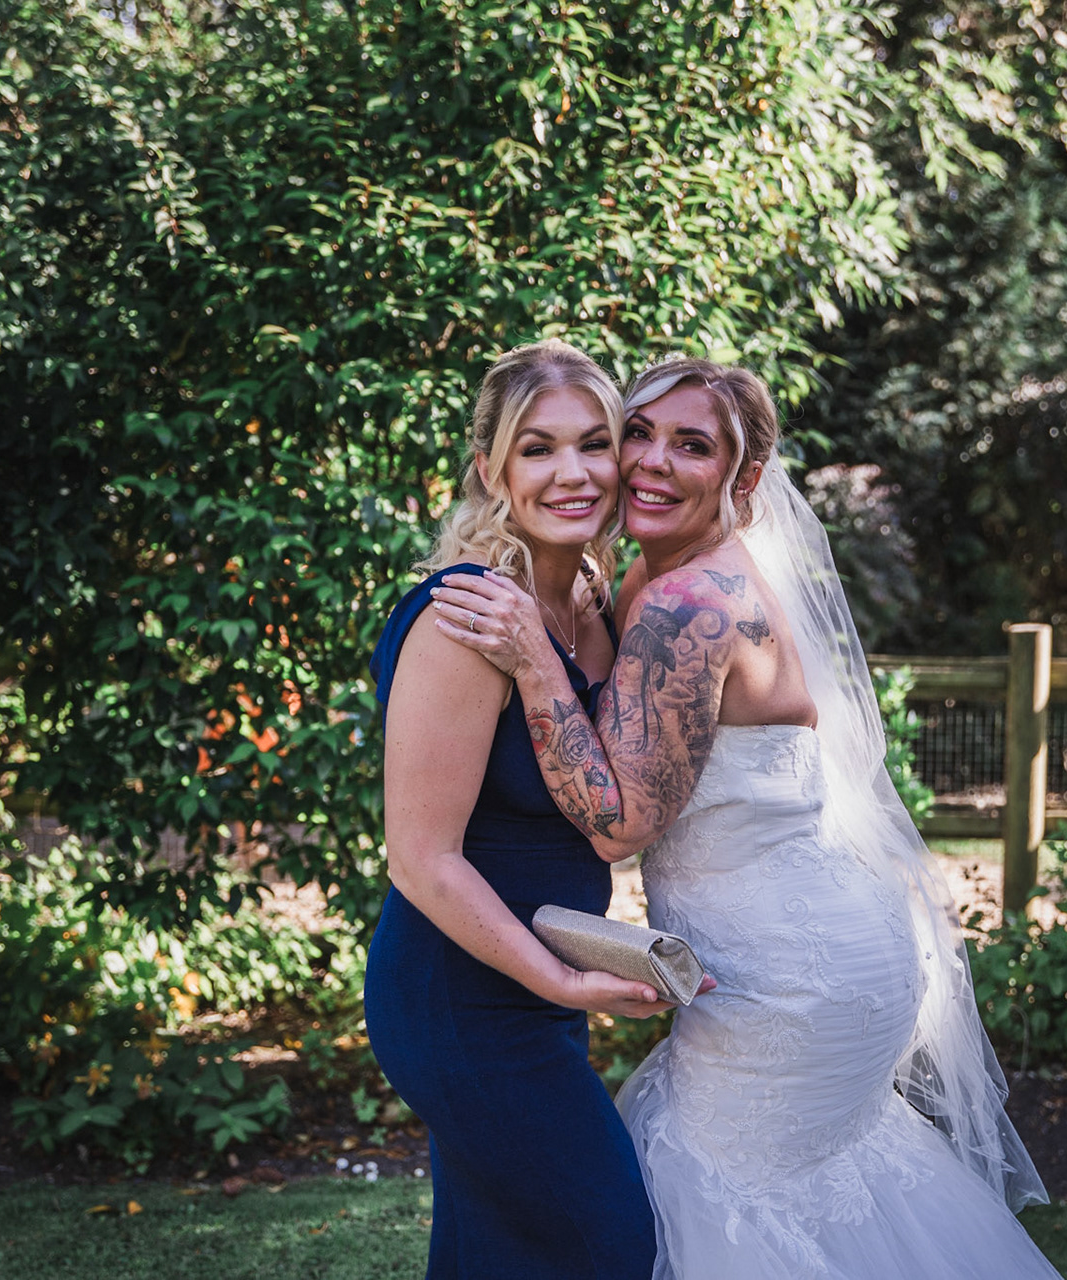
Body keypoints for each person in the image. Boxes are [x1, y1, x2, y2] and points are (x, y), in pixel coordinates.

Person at [432, 358, 1064, 1278]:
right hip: (826, 946)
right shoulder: (670, 575)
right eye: (637, 433)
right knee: (820, 1195)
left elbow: (617, 826)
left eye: (692, 445)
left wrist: (533, 658)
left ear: (745, 478)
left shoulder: (687, 603)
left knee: (717, 1193)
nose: (651, 461)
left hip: (787, 974)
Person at [363, 339, 671, 1279]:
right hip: (460, 997)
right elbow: (419, 858)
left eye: (594, 443)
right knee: (609, 1243)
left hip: (536, 984)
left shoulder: (591, 601)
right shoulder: (467, 619)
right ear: (491, 470)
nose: (572, 473)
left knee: (494, 1255)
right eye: (538, 449)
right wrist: (561, 983)